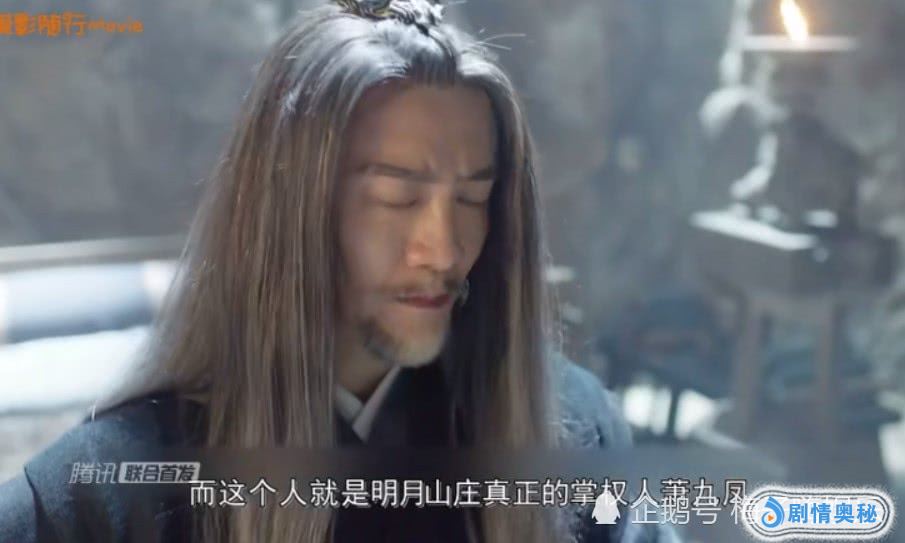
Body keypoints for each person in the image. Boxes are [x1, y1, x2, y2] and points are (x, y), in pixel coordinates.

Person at [0, 1, 681, 541]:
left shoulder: (566, 426)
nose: (443, 250)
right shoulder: (110, 489)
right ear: (291, 207)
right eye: (397, 198)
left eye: (473, 199)